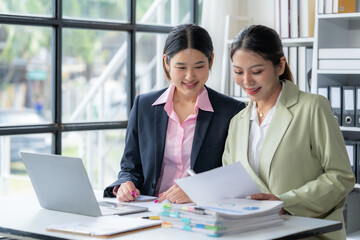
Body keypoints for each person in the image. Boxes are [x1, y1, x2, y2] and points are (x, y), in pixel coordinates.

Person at [222, 25, 355, 240]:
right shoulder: (237, 122)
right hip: (252, 233)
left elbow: (341, 177)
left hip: (304, 233)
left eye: (256, 71)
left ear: (280, 65)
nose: (246, 81)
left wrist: (285, 202)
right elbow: (230, 182)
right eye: (238, 72)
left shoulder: (312, 107)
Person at [104, 24, 245, 204]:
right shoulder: (144, 106)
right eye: (181, 67)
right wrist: (126, 183)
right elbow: (130, 167)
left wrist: (196, 191)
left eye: (199, 66)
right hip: (149, 209)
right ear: (166, 62)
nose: (190, 76)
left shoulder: (231, 112)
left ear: (211, 61)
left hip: (200, 211)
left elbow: (234, 177)